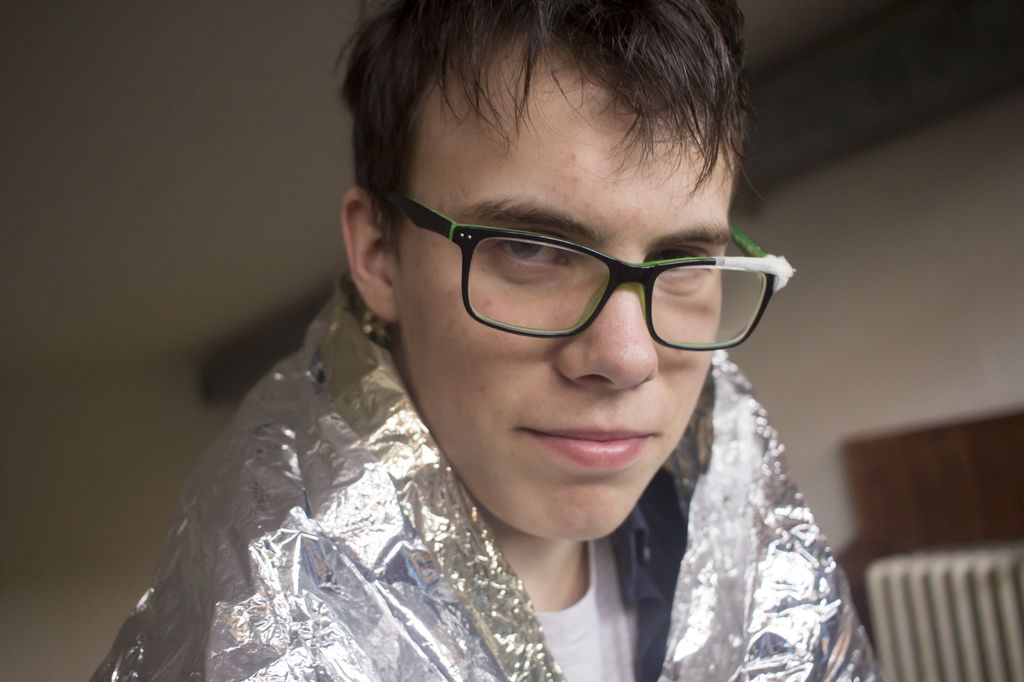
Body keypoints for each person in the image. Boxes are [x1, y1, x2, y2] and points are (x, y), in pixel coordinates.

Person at [95, 1, 878, 680]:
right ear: (379, 253)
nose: (627, 358)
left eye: (683, 261)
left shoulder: (748, 547)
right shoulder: (255, 645)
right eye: (532, 249)